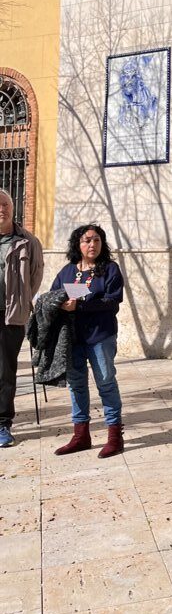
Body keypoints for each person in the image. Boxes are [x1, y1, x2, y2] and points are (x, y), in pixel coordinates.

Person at [51, 223, 126, 458]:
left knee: (105, 382)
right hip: (73, 338)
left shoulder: (110, 270)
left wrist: (81, 305)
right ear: (78, 244)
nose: (91, 244)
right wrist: (59, 304)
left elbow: (113, 301)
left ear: (102, 244)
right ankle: (80, 435)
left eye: (96, 240)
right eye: (86, 240)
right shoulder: (67, 272)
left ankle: (115, 436)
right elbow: (54, 295)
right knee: (77, 385)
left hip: (100, 336)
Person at [0, 190, 43, 448]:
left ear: (12, 208)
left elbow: (36, 275)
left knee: (5, 371)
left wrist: (22, 300)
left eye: (5, 204)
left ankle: (2, 424)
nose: (1, 208)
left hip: (10, 316)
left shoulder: (28, 241)